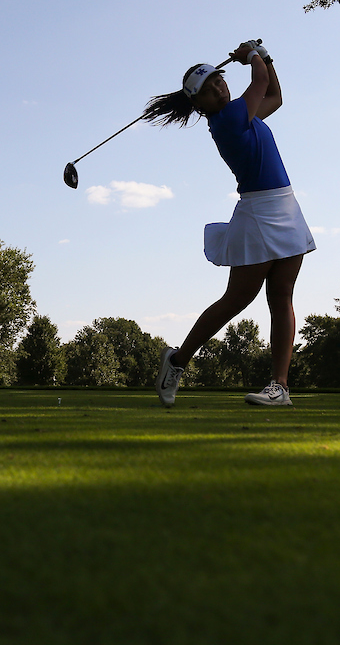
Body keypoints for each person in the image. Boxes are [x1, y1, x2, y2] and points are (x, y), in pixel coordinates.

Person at [143, 41, 315, 408]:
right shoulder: (228, 120)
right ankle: (177, 362)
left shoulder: (244, 115)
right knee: (236, 300)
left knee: (282, 296)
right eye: (208, 90)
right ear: (198, 105)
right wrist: (252, 54)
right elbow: (261, 80)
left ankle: (280, 387)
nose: (219, 88)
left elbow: (275, 95)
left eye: (219, 81)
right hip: (259, 214)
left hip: (286, 205)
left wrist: (263, 56)